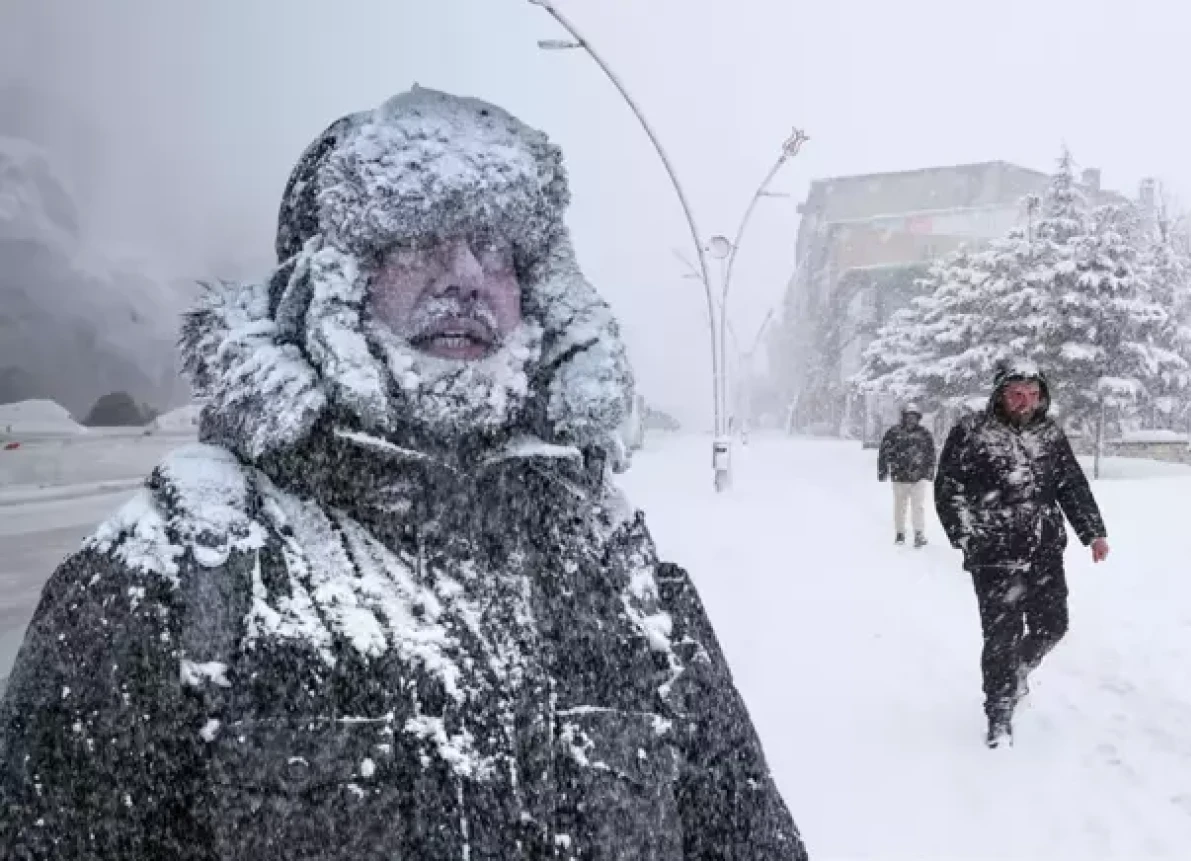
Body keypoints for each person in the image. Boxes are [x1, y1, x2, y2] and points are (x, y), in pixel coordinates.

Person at [0, 86, 808, 860]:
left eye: (497, 246)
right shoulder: (172, 577)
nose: (467, 273)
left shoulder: (618, 569)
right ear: (328, 281)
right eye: (418, 237)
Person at [934, 359, 1109, 749]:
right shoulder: (972, 432)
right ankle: (999, 714)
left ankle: (1016, 672)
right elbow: (949, 488)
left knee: (1053, 625)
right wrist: (966, 535)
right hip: (994, 552)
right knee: (1002, 636)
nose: (1025, 402)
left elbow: (1071, 485)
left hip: (1044, 548)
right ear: (1000, 395)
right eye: (1017, 394)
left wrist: (1093, 532)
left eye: (1032, 394)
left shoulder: (1050, 434)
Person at [877, 403, 936, 548]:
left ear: (918, 418)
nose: (911, 420)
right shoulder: (893, 433)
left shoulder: (924, 434)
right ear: (903, 417)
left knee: (918, 507)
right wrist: (882, 471)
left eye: (914, 417)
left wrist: (929, 472)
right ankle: (900, 533)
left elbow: (931, 454)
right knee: (899, 507)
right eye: (908, 417)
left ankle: (919, 533)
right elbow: (884, 452)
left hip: (919, 477)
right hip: (899, 476)